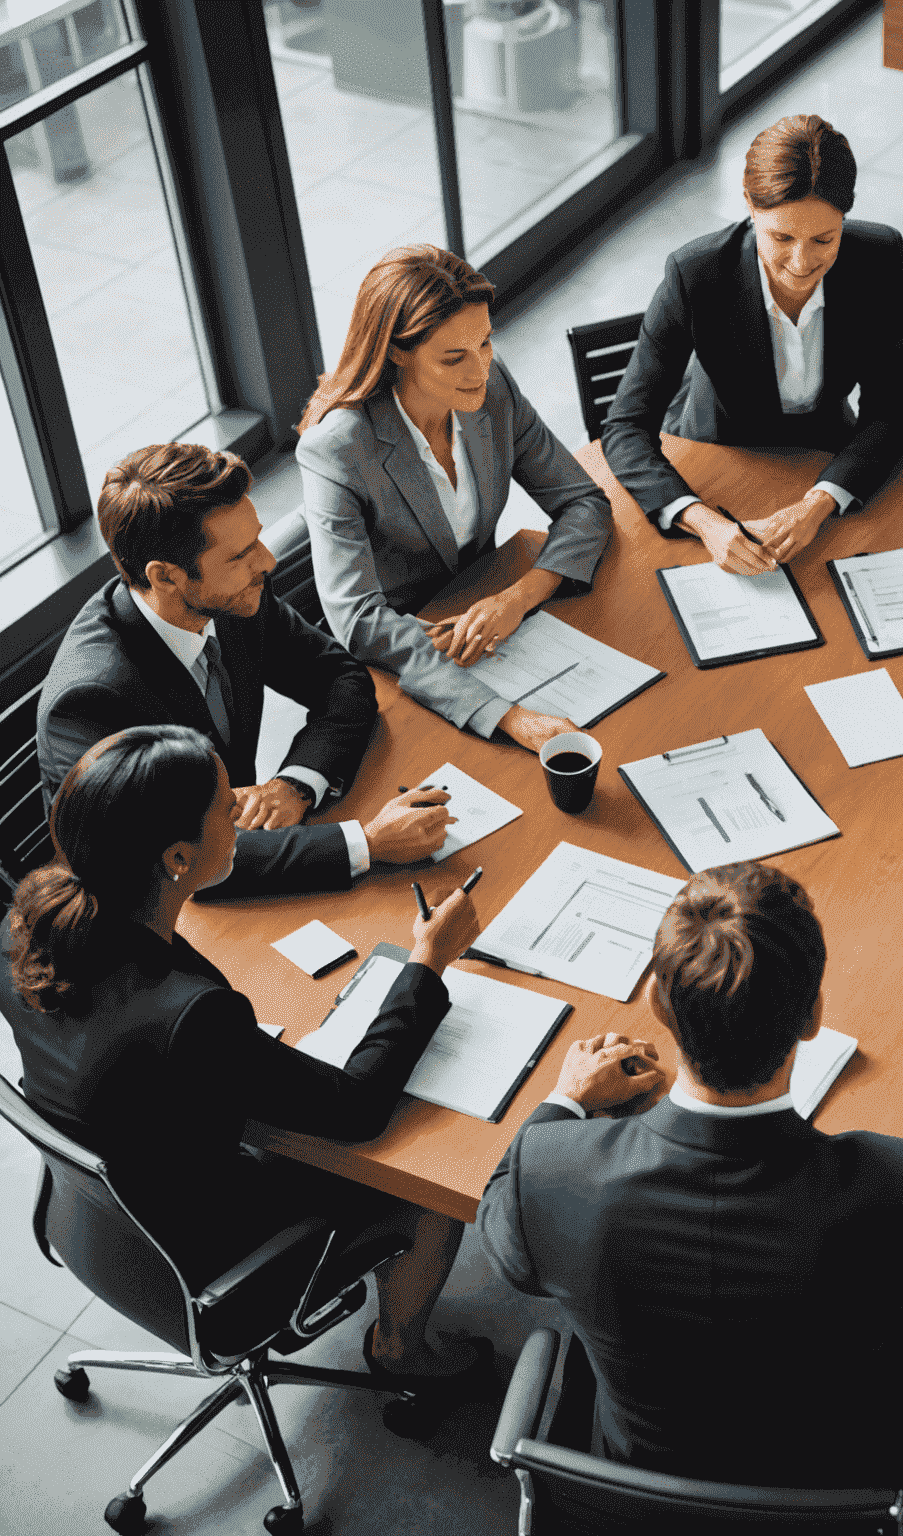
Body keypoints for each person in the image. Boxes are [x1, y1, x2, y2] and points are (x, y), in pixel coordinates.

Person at [476, 861, 903, 1493]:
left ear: (658, 1004)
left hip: (637, 1508)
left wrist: (565, 1101)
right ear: (812, 1016)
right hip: (847, 1502)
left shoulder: (551, 1171)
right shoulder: (898, 1188)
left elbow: (507, 1241)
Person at [1, 726, 491, 1391]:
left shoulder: (28, 927)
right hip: (208, 1250)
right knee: (427, 1178)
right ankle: (403, 1351)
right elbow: (357, 1108)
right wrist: (427, 964)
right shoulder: (190, 1018)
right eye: (227, 810)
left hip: (98, 1219)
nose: (243, 815)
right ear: (177, 857)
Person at [37, 443, 451, 900]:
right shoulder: (91, 701)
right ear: (166, 578)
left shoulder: (230, 599)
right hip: (156, 919)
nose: (267, 562)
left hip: (245, 856)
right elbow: (176, 861)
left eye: (257, 538)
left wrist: (294, 784)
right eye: (240, 555)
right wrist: (367, 843)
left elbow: (341, 680)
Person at [297, 245, 612, 751]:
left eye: (485, 343)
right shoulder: (337, 449)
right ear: (398, 351)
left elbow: (583, 502)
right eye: (454, 357)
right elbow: (356, 618)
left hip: (494, 618)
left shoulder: (493, 385)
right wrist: (499, 705)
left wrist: (520, 596)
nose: (480, 370)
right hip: (404, 660)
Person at [603, 114, 903, 572]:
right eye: (781, 237)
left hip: (827, 455)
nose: (802, 262)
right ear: (749, 205)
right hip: (717, 452)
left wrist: (819, 503)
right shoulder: (697, 274)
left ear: (845, 213)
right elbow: (626, 426)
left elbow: (888, 411)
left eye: (824, 238)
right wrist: (704, 521)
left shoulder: (879, 257)